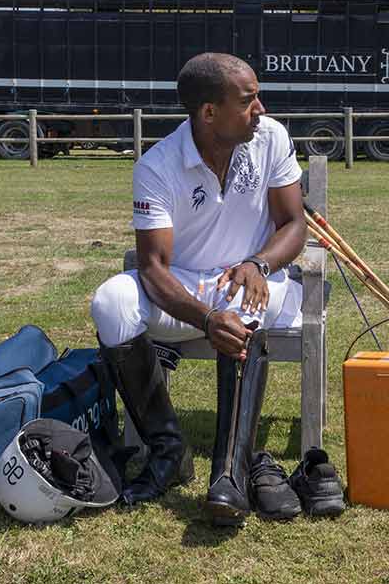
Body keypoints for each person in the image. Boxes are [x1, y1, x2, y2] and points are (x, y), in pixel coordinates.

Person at [90, 53, 306, 526]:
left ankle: (229, 474)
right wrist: (205, 320)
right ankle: (168, 453)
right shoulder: (158, 165)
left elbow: (294, 224)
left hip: (254, 280)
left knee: (242, 300)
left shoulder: (270, 137)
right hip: (187, 292)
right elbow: (153, 269)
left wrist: (258, 263)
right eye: (247, 101)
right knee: (111, 302)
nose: (260, 109)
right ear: (209, 112)